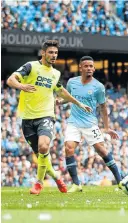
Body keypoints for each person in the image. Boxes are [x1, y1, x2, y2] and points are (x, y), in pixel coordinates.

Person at [6, 40, 92, 195]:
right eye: (51, 52)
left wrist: (79, 103)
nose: (54, 55)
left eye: (56, 53)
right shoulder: (30, 66)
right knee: (41, 157)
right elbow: (11, 79)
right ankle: (57, 177)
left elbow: (61, 91)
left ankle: (38, 183)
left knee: (44, 147)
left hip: (46, 115)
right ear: (43, 53)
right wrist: (21, 86)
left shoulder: (55, 73)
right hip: (27, 118)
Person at [60, 56, 122, 193]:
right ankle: (76, 184)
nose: (89, 68)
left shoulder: (98, 87)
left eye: (91, 66)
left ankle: (120, 181)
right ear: (80, 68)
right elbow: (68, 97)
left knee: (102, 151)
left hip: (90, 124)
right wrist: (59, 101)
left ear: (94, 69)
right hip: (74, 122)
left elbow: (103, 107)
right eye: (86, 66)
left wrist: (106, 127)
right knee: (69, 148)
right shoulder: (72, 82)